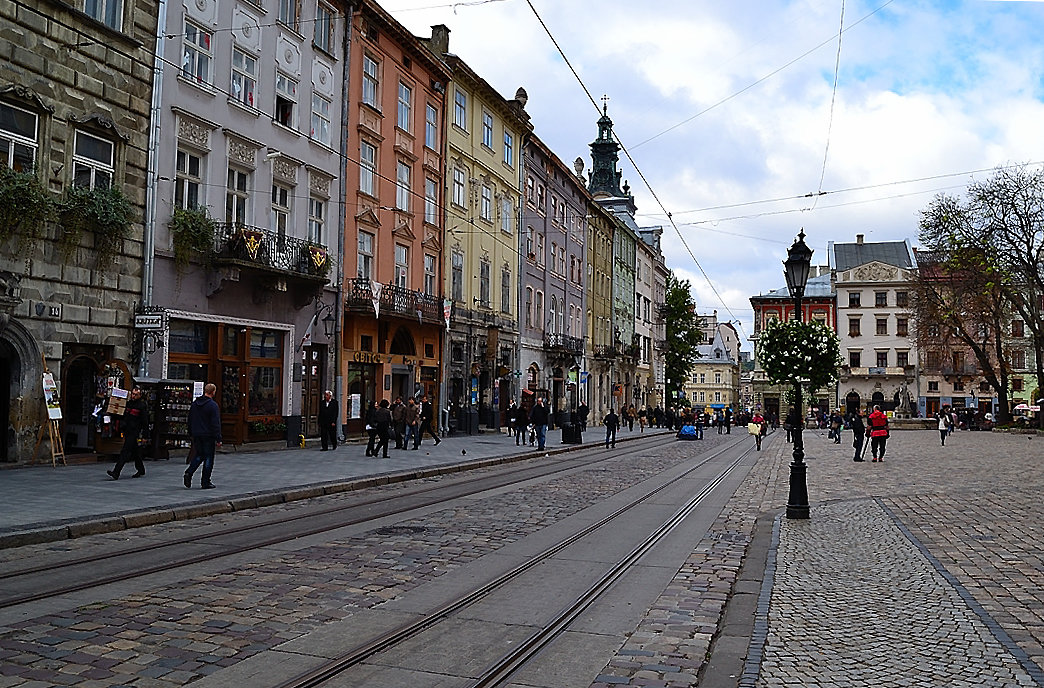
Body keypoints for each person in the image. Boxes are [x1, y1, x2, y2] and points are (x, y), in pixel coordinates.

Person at [108, 387, 150, 480]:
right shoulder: (128, 404)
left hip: (134, 432)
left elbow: (145, 422)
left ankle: (116, 472)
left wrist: (145, 436)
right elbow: (122, 415)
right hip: (127, 430)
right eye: (132, 394)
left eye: (135, 394)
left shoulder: (142, 406)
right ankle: (141, 469)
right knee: (135, 452)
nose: (133, 396)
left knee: (125, 451)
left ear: (139, 395)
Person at [185, 383, 221, 489]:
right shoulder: (213, 405)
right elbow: (215, 423)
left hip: (197, 433)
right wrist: (218, 437)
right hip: (208, 435)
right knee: (208, 458)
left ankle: (189, 472)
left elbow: (190, 419)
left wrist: (191, 432)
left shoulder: (195, 404)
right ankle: (205, 481)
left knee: (199, 455)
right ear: (213, 392)